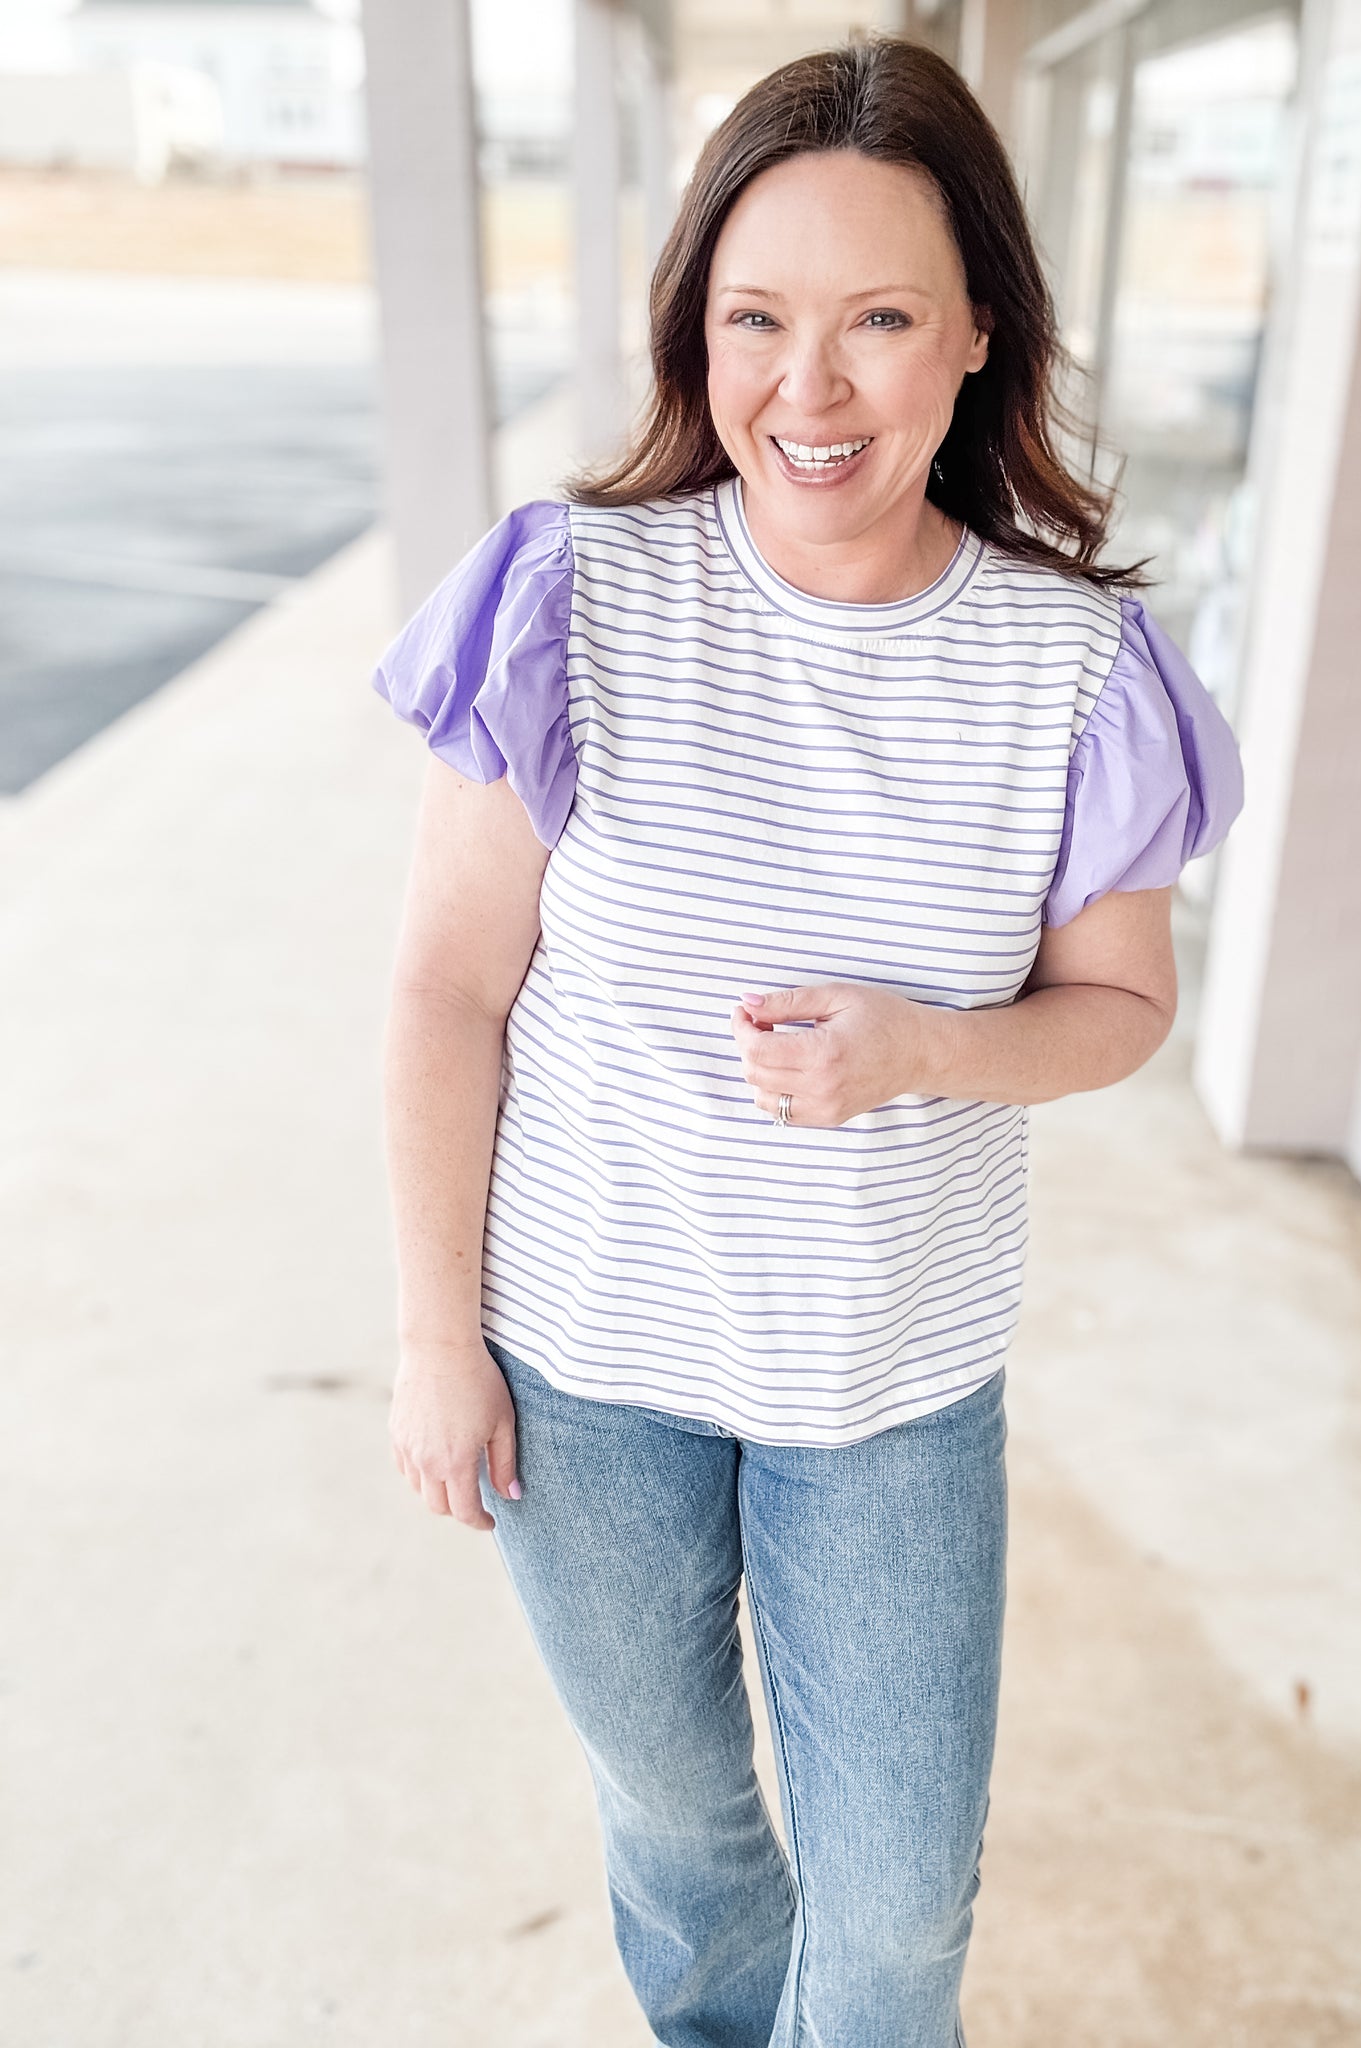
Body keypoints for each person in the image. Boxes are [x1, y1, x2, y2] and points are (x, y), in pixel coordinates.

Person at [371, 33, 1242, 2048]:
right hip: (584, 1372)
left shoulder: (1075, 664)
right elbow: (443, 988)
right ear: (697, 332)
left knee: (901, 1910)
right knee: (682, 1836)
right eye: (756, 318)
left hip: (892, 1383)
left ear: (975, 341)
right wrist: (435, 1337)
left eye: (876, 321)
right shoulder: (571, 597)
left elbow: (1122, 1007)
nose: (809, 385)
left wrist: (931, 1050)